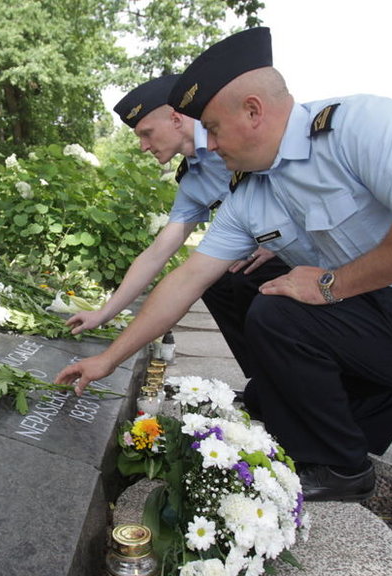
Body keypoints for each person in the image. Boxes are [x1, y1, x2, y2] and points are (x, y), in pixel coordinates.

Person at [55, 27, 392, 502]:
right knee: (267, 374)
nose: (212, 146)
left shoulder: (361, 124)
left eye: (215, 130)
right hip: (390, 318)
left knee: (281, 314)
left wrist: (330, 283)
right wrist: (106, 359)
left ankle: (342, 469)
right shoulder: (249, 195)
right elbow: (187, 278)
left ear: (254, 111)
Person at [66, 74, 294, 379]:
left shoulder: (236, 137)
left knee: (251, 286)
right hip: (247, 259)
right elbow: (159, 251)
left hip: (294, 255)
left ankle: (288, 379)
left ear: (175, 119)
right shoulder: (193, 177)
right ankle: (264, 379)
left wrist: (275, 235)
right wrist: (105, 312)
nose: (143, 146)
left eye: (146, 133)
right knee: (219, 279)